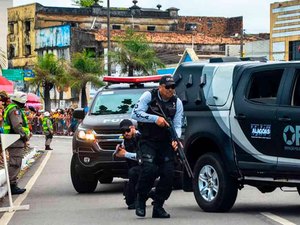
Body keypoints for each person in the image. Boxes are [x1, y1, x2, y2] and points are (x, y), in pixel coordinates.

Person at [131, 75, 183, 218]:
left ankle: (158, 206)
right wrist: (155, 119)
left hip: (165, 142)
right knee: (149, 169)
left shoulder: (177, 102)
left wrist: (175, 139)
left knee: (169, 174)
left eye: (173, 87)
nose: (171, 90)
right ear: (160, 87)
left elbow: (177, 124)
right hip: (148, 140)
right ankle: (141, 199)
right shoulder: (149, 96)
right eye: (168, 87)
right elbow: (134, 114)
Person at [114, 119, 155, 210]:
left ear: (132, 128)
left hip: (149, 167)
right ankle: (152, 193)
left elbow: (143, 157)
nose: (125, 133)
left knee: (133, 172)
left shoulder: (141, 137)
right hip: (137, 168)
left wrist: (125, 154)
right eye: (123, 132)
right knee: (129, 201)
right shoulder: (125, 141)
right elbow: (117, 153)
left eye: (127, 130)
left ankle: (140, 199)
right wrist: (118, 151)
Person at [3, 91, 31, 195]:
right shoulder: (14, 110)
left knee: (15, 162)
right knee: (15, 163)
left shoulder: (12, 108)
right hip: (15, 140)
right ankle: (12, 186)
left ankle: (12, 184)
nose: (25, 104)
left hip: (13, 140)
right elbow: (17, 126)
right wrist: (25, 136)